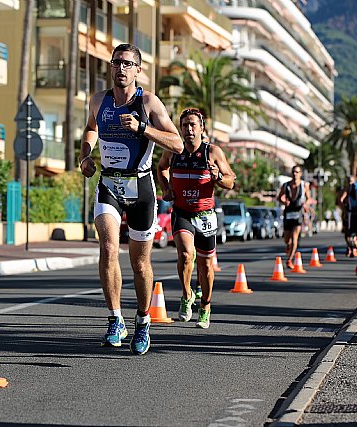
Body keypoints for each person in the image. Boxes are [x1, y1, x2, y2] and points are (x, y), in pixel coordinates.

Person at [78, 44, 183, 355]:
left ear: (138, 70)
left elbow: (177, 143)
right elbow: (90, 129)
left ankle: (142, 320)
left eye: (127, 64)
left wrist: (143, 128)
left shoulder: (148, 102)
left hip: (141, 188)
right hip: (109, 183)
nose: (120, 68)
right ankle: (115, 319)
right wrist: (85, 156)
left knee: (140, 263)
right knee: (109, 247)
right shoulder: (99, 100)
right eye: (116, 63)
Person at [156, 108, 236, 329]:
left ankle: (205, 306)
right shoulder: (173, 151)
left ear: (201, 128)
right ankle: (186, 294)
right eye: (184, 125)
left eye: (192, 125)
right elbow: (161, 168)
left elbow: (231, 180)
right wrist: (166, 189)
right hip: (182, 212)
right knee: (184, 253)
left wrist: (218, 177)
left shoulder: (213, 153)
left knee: (206, 266)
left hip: (206, 215)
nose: (188, 129)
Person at [277, 165, 311, 269]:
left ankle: (289, 260)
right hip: (288, 213)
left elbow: (309, 198)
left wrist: (305, 204)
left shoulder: (304, 185)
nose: (295, 174)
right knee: (287, 239)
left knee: (295, 236)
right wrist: (283, 201)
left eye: (297, 172)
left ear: (300, 174)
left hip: (298, 213)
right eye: (293, 172)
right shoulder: (285, 185)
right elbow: (279, 197)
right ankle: (288, 245)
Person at [337, 176, 357, 257]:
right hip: (347, 214)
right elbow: (339, 201)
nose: (350, 183)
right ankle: (349, 247)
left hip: (355, 214)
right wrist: (345, 211)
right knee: (347, 232)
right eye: (348, 181)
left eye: (351, 181)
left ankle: (353, 247)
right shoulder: (344, 190)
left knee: (355, 232)